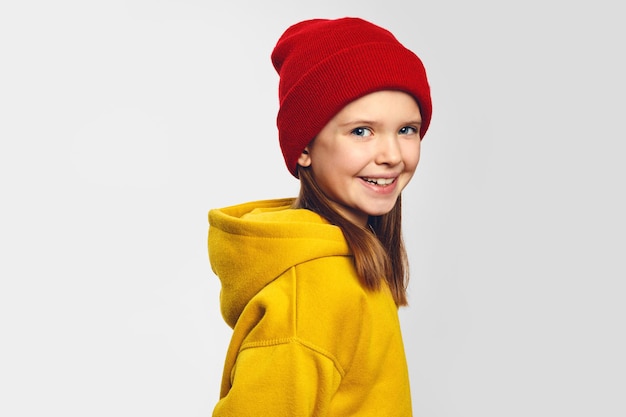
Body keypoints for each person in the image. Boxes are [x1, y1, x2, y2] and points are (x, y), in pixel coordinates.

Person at [207, 16, 432, 416]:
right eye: (361, 131)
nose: (392, 155)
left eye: (407, 130)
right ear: (304, 147)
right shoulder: (312, 290)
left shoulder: (352, 264)